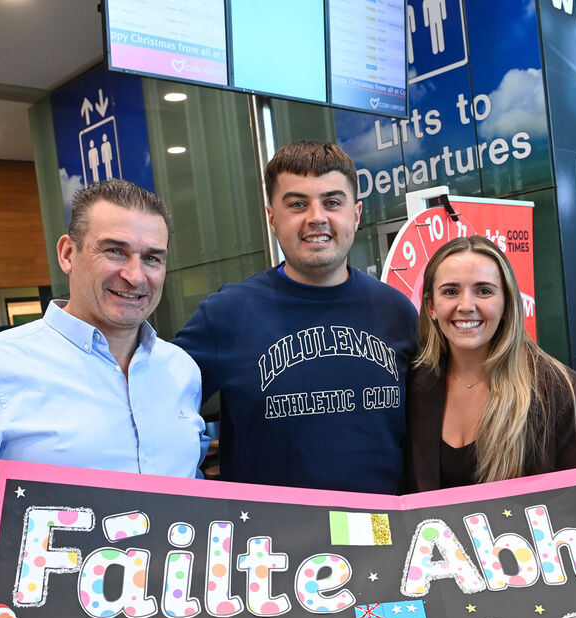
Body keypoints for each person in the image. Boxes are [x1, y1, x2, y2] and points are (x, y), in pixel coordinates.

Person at [0, 179, 206, 562]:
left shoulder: (181, 370)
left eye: (152, 258)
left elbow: (189, 489)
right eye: (114, 251)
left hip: (176, 606)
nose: (135, 275)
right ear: (67, 254)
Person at [174, 140, 418, 493]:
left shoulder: (397, 311)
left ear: (356, 214)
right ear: (273, 218)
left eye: (332, 202)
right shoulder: (226, 315)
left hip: (385, 533)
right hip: (273, 541)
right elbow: (156, 409)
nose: (316, 217)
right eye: (298, 204)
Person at [405, 235, 576, 490]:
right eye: (451, 291)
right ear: (431, 307)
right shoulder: (410, 384)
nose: (466, 305)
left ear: (506, 303)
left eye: (484, 291)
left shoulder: (562, 393)